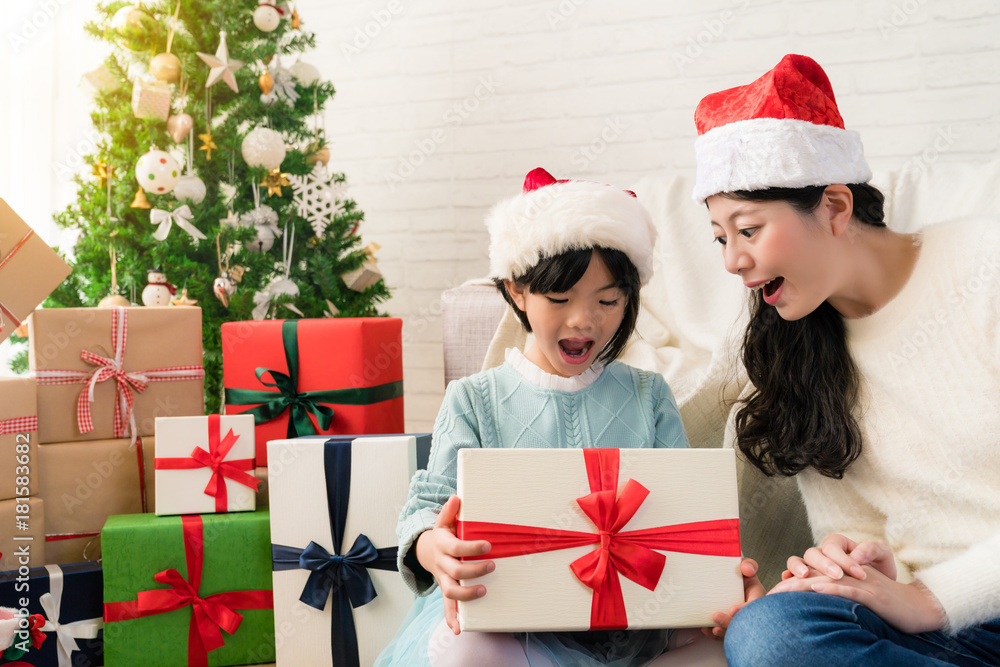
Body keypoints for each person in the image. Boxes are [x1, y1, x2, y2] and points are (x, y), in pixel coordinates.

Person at [691, 54, 1000, 666]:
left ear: (834, 206)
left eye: (748, 229)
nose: (732, 262)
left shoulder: (984, 268)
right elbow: (865, 536)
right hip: (932, 633)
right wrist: (859, 567)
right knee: (767, 629)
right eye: (721, 237)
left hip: (949, 607)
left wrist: (933, 598)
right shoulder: (796, 349)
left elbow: (923, 600)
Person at [376, 167, 754, 667]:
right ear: (516, 292)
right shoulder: (473, 398)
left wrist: (716, 581)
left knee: (736, 643)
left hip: (638, 631)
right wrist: (432, 549)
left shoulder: (648, 395)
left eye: (608, 300)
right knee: (465, 651)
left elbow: (680, 516)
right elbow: (426, 506)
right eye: (559, 299)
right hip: (519, 632)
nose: (584, 320)